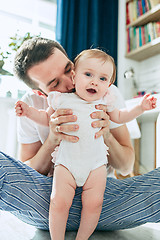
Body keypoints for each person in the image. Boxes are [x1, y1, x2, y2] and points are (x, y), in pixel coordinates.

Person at [0, 37, 160, 236]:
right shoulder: (34, 104)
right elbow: (26, 174)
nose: (70, 82)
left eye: (68, 69)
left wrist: (107, 133)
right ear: (39, 93)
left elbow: (127, 166)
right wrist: (52, 140)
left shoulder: (105, 92)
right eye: (55, 83)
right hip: (49, 200)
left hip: (103, 198)